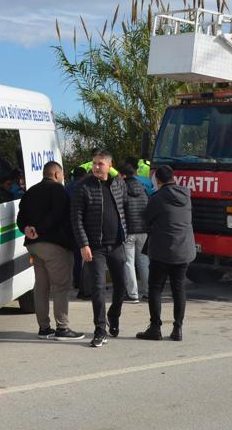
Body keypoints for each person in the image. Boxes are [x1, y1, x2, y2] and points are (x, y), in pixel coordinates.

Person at [17, 161, 84, 341]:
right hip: (54, 245)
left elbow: (20, 216)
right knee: (61, 287)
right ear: (56, 174)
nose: (62, 178)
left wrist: (27, 229)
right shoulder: (59, 191)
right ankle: (62, 327)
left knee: (41, 288)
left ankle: (44, 328)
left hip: (33, 245)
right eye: (61, 175)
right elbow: (57, 215)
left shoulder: (30, 191)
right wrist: (40, 229)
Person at [71, 149, 129, 348]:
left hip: (117, 245)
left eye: (100, 164)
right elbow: (76, 218)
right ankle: (100, 330)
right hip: (95, 247)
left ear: (109, 166)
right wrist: (84, 244)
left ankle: (114, 314)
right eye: (94, 163)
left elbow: (126, 208)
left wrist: (127, 235)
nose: (96, 167)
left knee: (122, 285)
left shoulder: (118, 184)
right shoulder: (83, 187)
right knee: (97, 288)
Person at [137, 165, 196, 342]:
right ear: (174, 178)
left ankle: (155, 328)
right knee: (179, 289)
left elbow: (146, 218)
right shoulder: (186, 195)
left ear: (157, 180)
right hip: (184, 250)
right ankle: (177, 329)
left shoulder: (157, 198)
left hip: (162, 251)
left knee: (156, 288)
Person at [119, 163, 150, 303]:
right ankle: (149, 291)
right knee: (144, 261)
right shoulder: (143, 188)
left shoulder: (121, 188)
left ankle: (132, 294)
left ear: (123, 175)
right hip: (144, 230)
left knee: (129, 262)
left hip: (129, 231)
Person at [66, 167, 91, 298]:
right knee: (88, 255)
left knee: (76, 255)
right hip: (85, 224)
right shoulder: (86, 186)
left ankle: (76, 281)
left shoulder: (67, 187)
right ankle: (86, 283)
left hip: (70, 224)